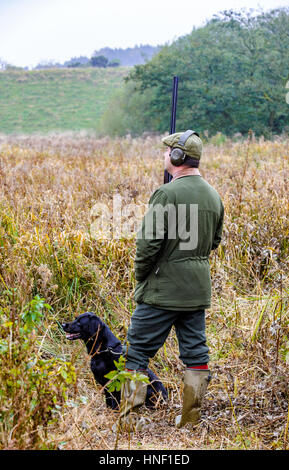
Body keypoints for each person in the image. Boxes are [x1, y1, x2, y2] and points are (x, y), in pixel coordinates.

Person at [120, 130, 224, 428]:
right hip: (196, 289)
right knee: (196, 352)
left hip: (162, 289)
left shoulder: (166, 193)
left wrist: (142, 276)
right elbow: (214, 241)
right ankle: (190, 417)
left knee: (138, 349)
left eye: (167, 152)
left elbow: (147, 245)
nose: (164, 155)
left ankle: (130, 420)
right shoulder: (213, 194)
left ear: (177, 157)